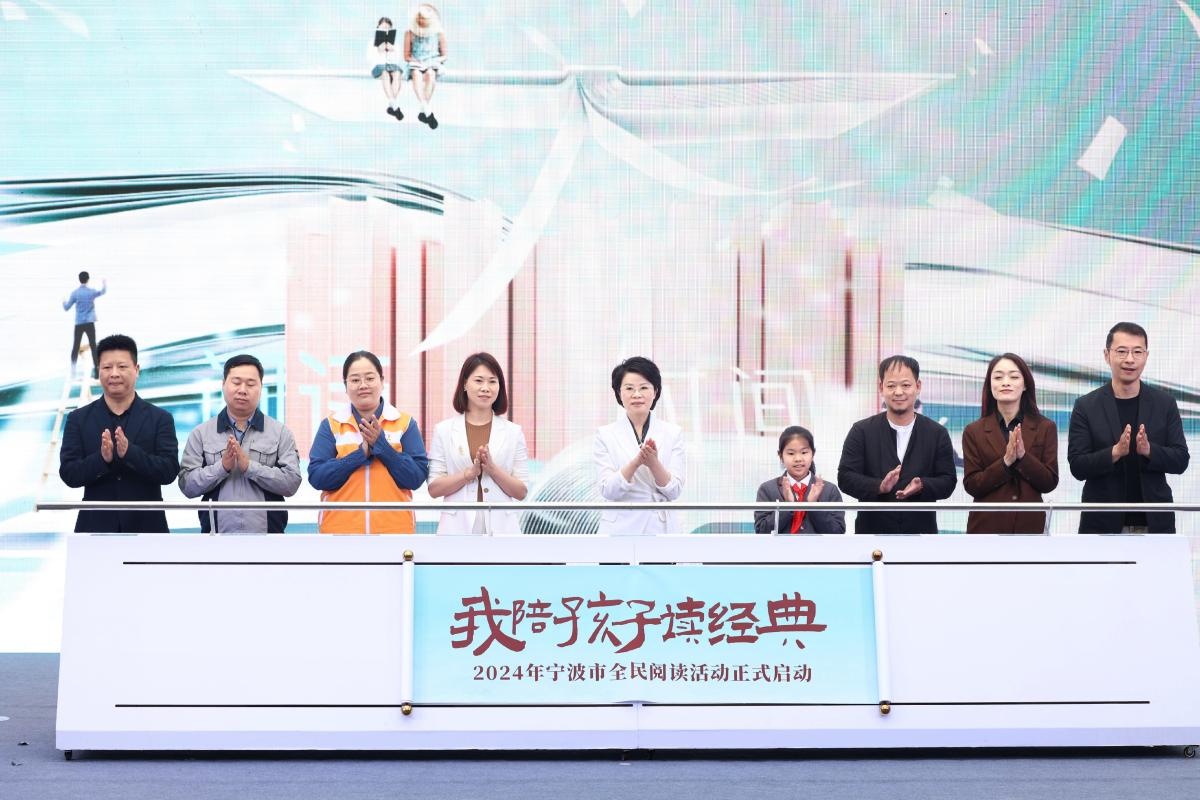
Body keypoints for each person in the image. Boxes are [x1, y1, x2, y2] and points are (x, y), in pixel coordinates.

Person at [1067, 323, 1189, 533]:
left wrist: (1149, 450)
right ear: (1107, 355)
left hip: (1154, 524)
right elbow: (1077, 466)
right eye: (1122, 351)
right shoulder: (1086, 406)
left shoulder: (1165, 403)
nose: (1130, 359)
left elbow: (1181, 460)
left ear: (1146, 356)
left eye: (1137, 352)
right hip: (1101, 525)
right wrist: (1114, 452)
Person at [58, 334, 179, 533]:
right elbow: (69, 474)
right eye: (107, 367)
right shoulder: (78, 419)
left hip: (148, 528)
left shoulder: (160, 418)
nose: (114, 374)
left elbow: (169, 471)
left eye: (122, 367)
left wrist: (130, 453)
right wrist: (102, 459)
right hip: (95, 528)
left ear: (136, 370)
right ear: (98, 371)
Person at [307, 350, 429, 534]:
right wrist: (360, 454)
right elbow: (317, 477)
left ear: (382, 381)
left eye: (370, 378)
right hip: (339, 532)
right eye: (355, 380)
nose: (363, 385)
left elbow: (416, 478)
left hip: (395, 531)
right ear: (345, 386)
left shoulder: (405, 423)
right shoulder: (331, 425)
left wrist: (382, 447)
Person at [178, 354, 302, 533]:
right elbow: (187, 485)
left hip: (268, 538)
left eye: (251, 384)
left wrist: (250, 467)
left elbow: (291, 483)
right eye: (236, 382)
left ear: (261, 387)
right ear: (223, 384)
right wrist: (222, 468)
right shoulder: (201, 433)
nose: (243, 390)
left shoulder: (280, 432)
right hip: (216, 537)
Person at [837, 355, 957, 534]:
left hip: (921, 535)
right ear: (881, 387)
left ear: (918, 386)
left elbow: (948, 481)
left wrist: (922, 485)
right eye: (891, 386)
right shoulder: (861, 431)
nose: (898, 392)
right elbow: (845, 478)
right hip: (872, 535)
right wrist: (879, 486)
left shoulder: (936, 433)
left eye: (906, 385)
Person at [427, 353, 529, 534]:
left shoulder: (514, 432)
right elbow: (434, 489)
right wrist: (468, 474)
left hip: (502, 530)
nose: (485, 388)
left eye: (492, 382)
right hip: (456, 529)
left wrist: (492, 469)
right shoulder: (443, 430)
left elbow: (521, 492)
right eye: (479, 381)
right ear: (465, 384)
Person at [961, 353, 1059, 534]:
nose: (1006, 383)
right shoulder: (973, 431)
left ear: (1025, 384)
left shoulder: (1045, 427)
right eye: (998, 377)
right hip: (985, 528)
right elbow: (972, 485)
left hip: (1029, 529)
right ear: (989, 385)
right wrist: (1005, 462)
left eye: (1014, 377)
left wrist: (1023, 457)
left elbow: (1049, 482)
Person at [593, 356, 685, 534]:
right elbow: (607, 490)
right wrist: (636, 463)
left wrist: (653, 463)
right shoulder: (605, 435)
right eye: (629, 388)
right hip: (619, 529)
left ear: (655, 391)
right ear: (619, 393)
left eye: (644, 387)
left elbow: (674, 491)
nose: (637, 394)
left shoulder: (673, 433)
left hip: (659, 528)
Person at [754, 426, 846, 534]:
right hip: (781, 546)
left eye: (804, 452)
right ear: (781, 456)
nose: (798, 459)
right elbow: (761, 531)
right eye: (791, 453)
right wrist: (787, 506)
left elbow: (838, 532)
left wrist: (813, 506)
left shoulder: (829, 490)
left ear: (813, 454)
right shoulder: (767, 489)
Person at [405, 3, 447, 129]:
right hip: (416, 62)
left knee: (430, 74)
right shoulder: (409, 33)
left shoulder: (439, 33)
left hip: (432, 62)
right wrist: (416, 61)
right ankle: (426, 110)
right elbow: (406, 55)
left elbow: (444, 55)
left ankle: (424, 110)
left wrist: (435, 61)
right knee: (416, 74)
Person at [62, 270, 106, 378]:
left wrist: (63, 301)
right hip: (89, 323)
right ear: (88, 279)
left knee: (75, 347)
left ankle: (73, 372)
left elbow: (66, 308)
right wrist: (104, 283)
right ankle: (97, 373)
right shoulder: (91, 292)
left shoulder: (75, 293)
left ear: (79, 280)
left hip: (79, 323)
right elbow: (102, 292)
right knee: (93, 346)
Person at [371, 17, 405, 120]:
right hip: (379, 66)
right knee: (385, 73)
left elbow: (398, 59)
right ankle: (394, 105)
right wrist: (379, 50)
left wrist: (391, 50)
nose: (385, 29)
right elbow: (371, 59)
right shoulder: (372, 43)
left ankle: (392, 106)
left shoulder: (395, 44)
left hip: (392, 65)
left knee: (397, 73)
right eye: (383, 27)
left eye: (387, 28)